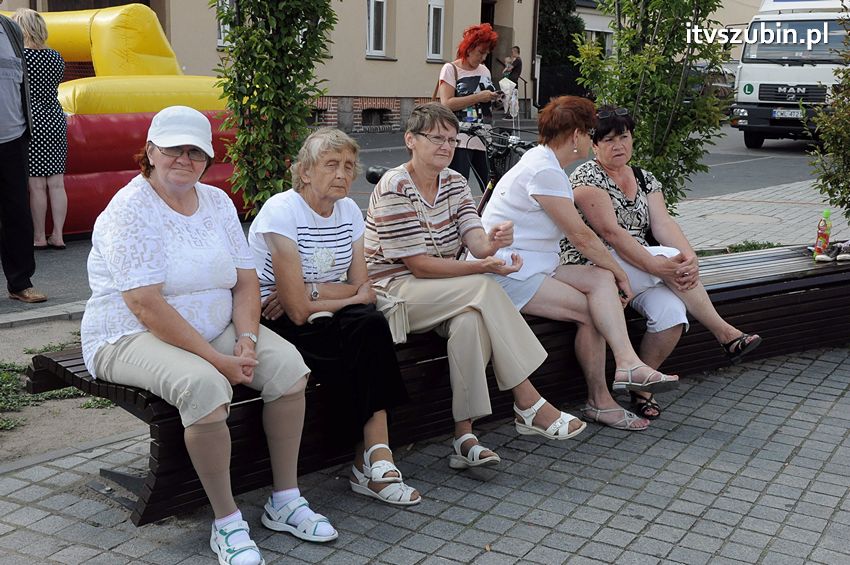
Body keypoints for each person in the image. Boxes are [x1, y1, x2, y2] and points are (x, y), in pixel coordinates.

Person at [80, 106, 338, 565]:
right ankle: (227, 520)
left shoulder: (216, 201)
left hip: (214, 326)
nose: (185, 158)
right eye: (174, 148)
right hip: (128, 334)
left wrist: (247, 338)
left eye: (196, 150)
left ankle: (285, 498)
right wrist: (217, 361)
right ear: (151, 151)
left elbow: (244, 282)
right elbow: (145, 304)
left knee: (288, 370)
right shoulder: (130, 209)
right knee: (204, 386)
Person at [366, 102, 587, 470]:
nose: (446, 146)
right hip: (394, 292)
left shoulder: (454, 182)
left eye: (452, 140)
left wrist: (495, 244)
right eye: (437, 138)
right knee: (484, 289)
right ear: (410, 140)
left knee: (471, 321)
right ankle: (528, 401)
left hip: (439, 290)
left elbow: (476, 240)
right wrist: (483, 267)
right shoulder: (395, 186)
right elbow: (418, 267)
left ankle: (465, 435)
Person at [478, 96, 678, 431]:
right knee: (591, 311)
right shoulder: (544, 170)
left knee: (599, 282)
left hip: (534, 264)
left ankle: (627, 363)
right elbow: (581, 235)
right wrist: (620, 274)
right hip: (509, 272)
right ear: (575, 136)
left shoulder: (541, 161)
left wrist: (610, 274)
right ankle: (600, 401)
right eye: (588, 133)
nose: (589, 138)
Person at [248, 127, 420, 506]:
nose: (342, 174)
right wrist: (337, 293)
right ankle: (369, 462)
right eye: (330, 165)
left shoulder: (347, 212)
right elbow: (292, 310)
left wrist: (313, 290)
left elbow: (366, 290)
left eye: (348, 165)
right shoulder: (282, 211)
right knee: (350, 345)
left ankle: (377, 454)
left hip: (319, 310)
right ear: (304, 172)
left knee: (370, 323)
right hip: (270, 317)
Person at [562, 105, 762, 420]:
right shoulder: (587, 176)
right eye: (609, 140)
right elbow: (610, 234)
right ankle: (725, 334)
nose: (619, 146)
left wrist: (690, 255)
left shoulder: (643, 176)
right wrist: (660, 265)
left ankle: (640, 388)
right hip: (598, 265)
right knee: (667, 258)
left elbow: (663, 225)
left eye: (624, 137)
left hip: (636, 266)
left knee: (671, 315)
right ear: (595, 144)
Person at [0, 2, 47, 304]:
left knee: (17, 213)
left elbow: (20, 83)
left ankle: (20, 283)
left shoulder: (10, 29)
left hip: (13, 137)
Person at [12, 9, 67, 251]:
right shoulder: (55, 56)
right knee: (56, 183)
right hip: (55, 118)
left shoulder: (20, 56)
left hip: (31, 120)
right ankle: (58, 235)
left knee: (36, 184)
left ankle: (39, 236)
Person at [437, 23, 499, 189]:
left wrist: (497, 98)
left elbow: (486, 102)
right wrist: (479, 96)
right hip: (460, 138)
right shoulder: (450, 69)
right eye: (480, 52)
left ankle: (489, 215)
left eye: (486, 53)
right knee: (458, 187)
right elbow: (447, 103)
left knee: (491, 187)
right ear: (469, 48)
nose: (483, 58)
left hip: (484, 137)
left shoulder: (485, 71)